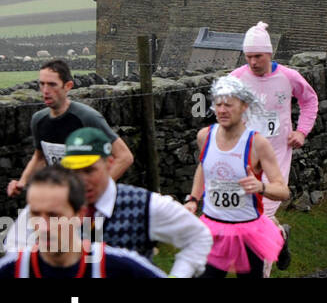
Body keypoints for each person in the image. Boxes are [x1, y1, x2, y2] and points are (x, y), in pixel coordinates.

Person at [2, 128, 213, 278]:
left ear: (109, 162)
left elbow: (199, 237)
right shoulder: (47, 208)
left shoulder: (144, 204)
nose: (81, 179)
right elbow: (15, 251)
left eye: (89, 170)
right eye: (73, 171)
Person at [230, 21, 318, 272]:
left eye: (258, 56)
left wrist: (302, 131)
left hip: (277, 155)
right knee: (248, 215)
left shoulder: (289, 77)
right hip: (246, 157)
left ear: (270, 53)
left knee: (262, 215)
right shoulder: (236, 78)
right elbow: (222, 109)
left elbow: (310, 101)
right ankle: (280, 235)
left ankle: (262, 272)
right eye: (248, 57)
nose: (253, 62)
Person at [183, 76, 289, 277]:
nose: (222, 110)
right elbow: (203, 167)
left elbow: (283, 191)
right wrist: (193, 200)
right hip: (213, 228)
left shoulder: (257, 144)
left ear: (243, 106)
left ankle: (280, 235)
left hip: (248, 232)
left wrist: (261, 188)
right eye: (218, 104)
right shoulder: (204, 136)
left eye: (229, 105)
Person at [0, 167, 166, 279]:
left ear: (80, 215)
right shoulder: (12, 269)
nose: (43, 226)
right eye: (35, 214)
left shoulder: (119, 267)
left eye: (54, 215)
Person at [8, 59, 134, 198]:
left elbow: (124, 157)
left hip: (89, 206)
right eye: (42, 84)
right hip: (58, 200)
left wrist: (97, 191)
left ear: (68, 86)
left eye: (52, 85)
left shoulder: (87, 117)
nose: (45, 90)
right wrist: (22, 182)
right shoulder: (38, 120)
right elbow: (39, 157)